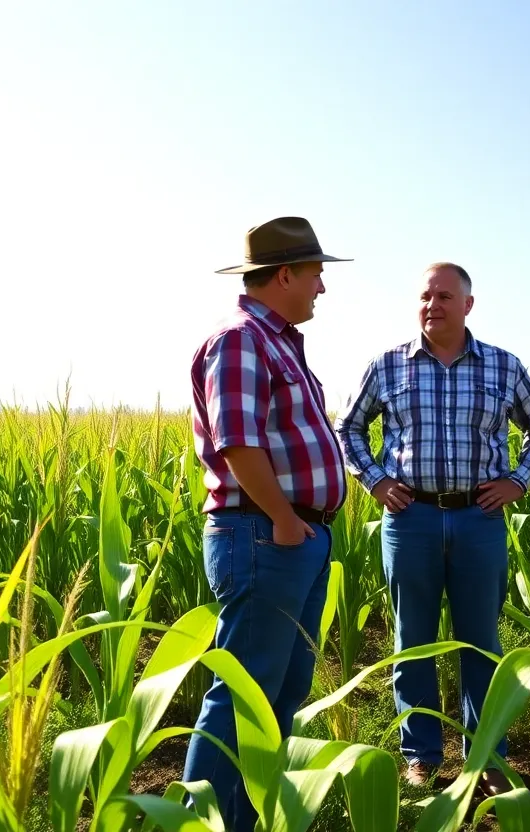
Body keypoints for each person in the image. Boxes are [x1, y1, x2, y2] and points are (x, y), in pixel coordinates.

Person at [334, 262, 530, 792]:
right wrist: (377, 481)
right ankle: (422, 756)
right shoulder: (388, 366)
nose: (433, 305)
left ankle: (487, 758)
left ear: (468, 305)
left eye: (445, 296)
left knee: (480, 641)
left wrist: (519, 482)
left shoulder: (503, 366)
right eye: (426, 296)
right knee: (413, 640)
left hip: (479, 518)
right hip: (411, 519)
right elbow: (348, 427)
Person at [183, 216, 351, 831]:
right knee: (242, 696)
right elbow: (238, 442)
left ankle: (247, 817)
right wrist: (282, 517)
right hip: (263, 534)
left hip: (291, 537)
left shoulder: (277, 343)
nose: (321, 289)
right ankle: (204, 821)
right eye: (315, 275)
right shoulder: (241, 341)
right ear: (284, 275)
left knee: (277, 693)